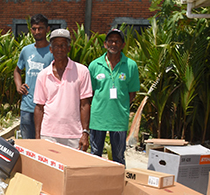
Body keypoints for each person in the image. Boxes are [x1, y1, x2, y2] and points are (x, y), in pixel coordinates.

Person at [34, 28, 92, 151]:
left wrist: (85, 133)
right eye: (56, 46)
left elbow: (85, 104)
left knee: (73, 169)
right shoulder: (43, 75)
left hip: (74, 135)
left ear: (69, 48)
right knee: (49, 170)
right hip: (48, 134)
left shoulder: (82, 71)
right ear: (51, 49)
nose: (59, 49)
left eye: (63, 45)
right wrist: (37, 136)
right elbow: (39, 107)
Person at [88, 29, 140, 165]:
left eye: (117, 41)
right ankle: (94, 184)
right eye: (110, 41)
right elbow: (90, 92)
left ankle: (117, 185)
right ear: (105, 44)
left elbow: (132, 93)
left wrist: (120, 107)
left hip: (119, 119)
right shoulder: (94, 65)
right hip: (98, 118)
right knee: (95, 156)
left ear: (122, 45)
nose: (113, 44)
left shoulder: (131, 66)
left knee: (118, 157)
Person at [14, 14, 53, 139]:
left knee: (44, 144)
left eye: (41, 28)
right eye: (34, 28)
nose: (37, 31)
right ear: (31, 30)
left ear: (47, 29)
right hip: (27, 105)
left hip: (46, 107)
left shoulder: (53, 51)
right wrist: (18, 86)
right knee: (28, 144)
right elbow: (17, 70)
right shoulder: (26, 51)